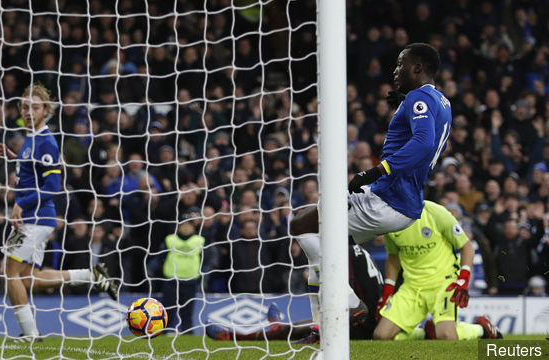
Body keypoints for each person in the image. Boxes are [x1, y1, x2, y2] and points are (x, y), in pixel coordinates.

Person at [290, 43, 453, 338]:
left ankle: (350, 303)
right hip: (404, 203)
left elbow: (424, 142)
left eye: (401, 64)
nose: (395, 70)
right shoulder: (440, 101)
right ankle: (322, 326)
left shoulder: (419, 98)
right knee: (324, 247)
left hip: (388, 196)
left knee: (302, 224)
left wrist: (378, 170)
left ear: (417, 68)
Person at [0, 84, 118, 342]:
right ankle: (91, 275)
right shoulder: (30, 139)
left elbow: (53, 187)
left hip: (35, 218)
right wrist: (13, 156)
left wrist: (21, 204)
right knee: (27, 278)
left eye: (35, 108)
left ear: (46, 111)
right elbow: (34, 172)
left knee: (8, 272)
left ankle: (30, 335)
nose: (29, 112)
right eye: (25, 107)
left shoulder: (46, 142)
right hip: (35, 217)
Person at [373, 200, 502, 341]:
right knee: (381, 335)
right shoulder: (390, 221)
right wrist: (387, 292)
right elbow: (393, 257)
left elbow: (467, 247)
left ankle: (481, 329)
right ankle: (426, 334)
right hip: (411, 288)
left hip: (444, 283)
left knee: (446, 336)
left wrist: (463, 279)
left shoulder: (436, 212)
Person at [205, 244, 383, 342]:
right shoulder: (359, 250)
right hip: (369, 319)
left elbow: (349, 297)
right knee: (320, 319)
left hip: (359, 325)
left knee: (299, 328)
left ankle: (235, 336)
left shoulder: (341, 254)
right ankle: (281, 326)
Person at [161, 206, 205, 334]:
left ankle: (188, 333)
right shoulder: (170, 239)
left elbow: (205, 259)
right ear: (178, 226)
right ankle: (163, 334)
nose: (186, 227)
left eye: (189, 225)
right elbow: (161, 257)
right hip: (171, 280)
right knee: (168, 311)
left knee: (187, 313)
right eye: (183, 224)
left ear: (193, 227)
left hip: (190, 281)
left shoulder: (200, 240)